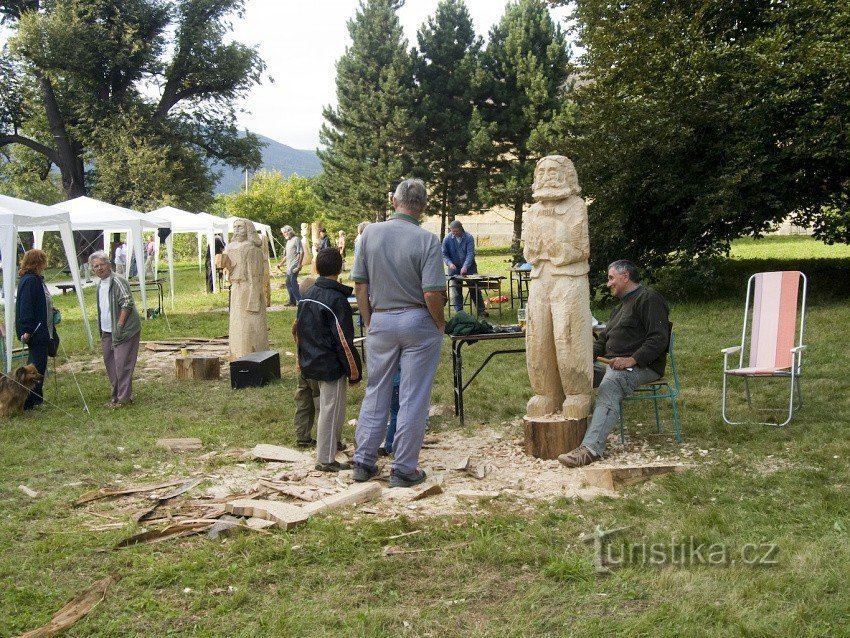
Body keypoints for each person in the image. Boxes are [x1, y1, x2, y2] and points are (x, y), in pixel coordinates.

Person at [351, 178, 446, 488]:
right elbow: (432, 292)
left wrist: (369, 321)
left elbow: (360, 286)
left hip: (381, 320)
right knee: (413, 396)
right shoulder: (427, 239)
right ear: (423, 206)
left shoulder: (369, 234)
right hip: (418, 320)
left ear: (394, 201)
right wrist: (440, 324)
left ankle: (364, 461)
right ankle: (404, 468)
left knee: (376, 389)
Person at [559, 260, 670, 467]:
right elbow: (602, 342)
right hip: (612, 364)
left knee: (612, 383)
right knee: (570, 372)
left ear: (625, 276)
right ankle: (566, 435)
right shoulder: (618, 308)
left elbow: (659, 338)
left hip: (642, 367)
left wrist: (632, 359)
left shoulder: (649, 298)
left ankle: (591, 448)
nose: (608, 283)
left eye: (611, 278)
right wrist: (580, 360)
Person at [522, 155, 593, 420]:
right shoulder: (532, 211)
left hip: (569, 278)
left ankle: (578, 393)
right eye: (543, 171)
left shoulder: (576, 206)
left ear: (567, 175)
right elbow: (529, 251)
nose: (548, 175)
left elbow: (581, 248)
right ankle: (546, 393)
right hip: (541, 277)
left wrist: (554, 236)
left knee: (569, 335)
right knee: (538, 337)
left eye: (554, 170)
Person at [295, 248, 362, 472]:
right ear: (340, 267)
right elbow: (343, 340)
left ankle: (331, 446)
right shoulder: (335, 299)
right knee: (331, 410)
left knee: (331, 408)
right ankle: (325, 458)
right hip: (330, 364)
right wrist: (354, 371)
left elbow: (300, 332)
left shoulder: (307, 294)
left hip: (311, 361)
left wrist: (302, 360)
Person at [89, 250, 142, 408]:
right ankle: (116, 395)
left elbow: (127, 303)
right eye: (95, 266)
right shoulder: (100, 285)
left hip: (124, 330)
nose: (99, 268)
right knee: (110, 362)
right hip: (107, 330)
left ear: (109, 264)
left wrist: (119, 325)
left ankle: (124, 399)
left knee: (122, 364)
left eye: (102, 264)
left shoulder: (118, 280)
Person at [221, 219, 269, 360]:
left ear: (248, 229)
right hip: (236, 288)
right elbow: (231, 269)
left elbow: (256, 276)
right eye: (235, 227)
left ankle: (251, 354)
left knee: (249, 325)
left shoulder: (251, 249)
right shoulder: (230, 247)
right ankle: (237, 353)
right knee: (237, 324)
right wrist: (226, 264)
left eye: (240, 227)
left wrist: (254, 300)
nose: (237, 230)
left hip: (248, 290)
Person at [15, 249, 56, 410]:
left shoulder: (35, 279)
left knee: (38, 364)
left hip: (41, 329)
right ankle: (30, 400)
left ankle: (34, 398)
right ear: (38, 263)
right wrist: (26, 328)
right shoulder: (31, 280)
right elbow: (26, 306)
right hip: (35, 330)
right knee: (36, 367)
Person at [442, 219, 486, 316]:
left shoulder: (469, 237)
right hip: (454, 269)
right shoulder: (447, 239)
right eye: (452, 231)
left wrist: (465, 266)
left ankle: (481, 310)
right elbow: (444, 254)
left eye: (456, 231)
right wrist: (449, 263)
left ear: (461, 229)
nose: (454, 233)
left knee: (474, 288)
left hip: (469, 268)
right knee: (456, 290)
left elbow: (470, 254)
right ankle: (459, 312)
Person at [281, 225, 304, 306]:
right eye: (283, 233)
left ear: (289, 231)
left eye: (285, 232)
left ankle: (300, 300)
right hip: (289, 266)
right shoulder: (288, 242)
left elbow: (301, 252)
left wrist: (299, 265)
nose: (284, 234)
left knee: (292, 282)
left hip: (294, 265)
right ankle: (292, 301)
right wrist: (280, 264)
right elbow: (287, 256)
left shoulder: (296, 239)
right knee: (288, 283)